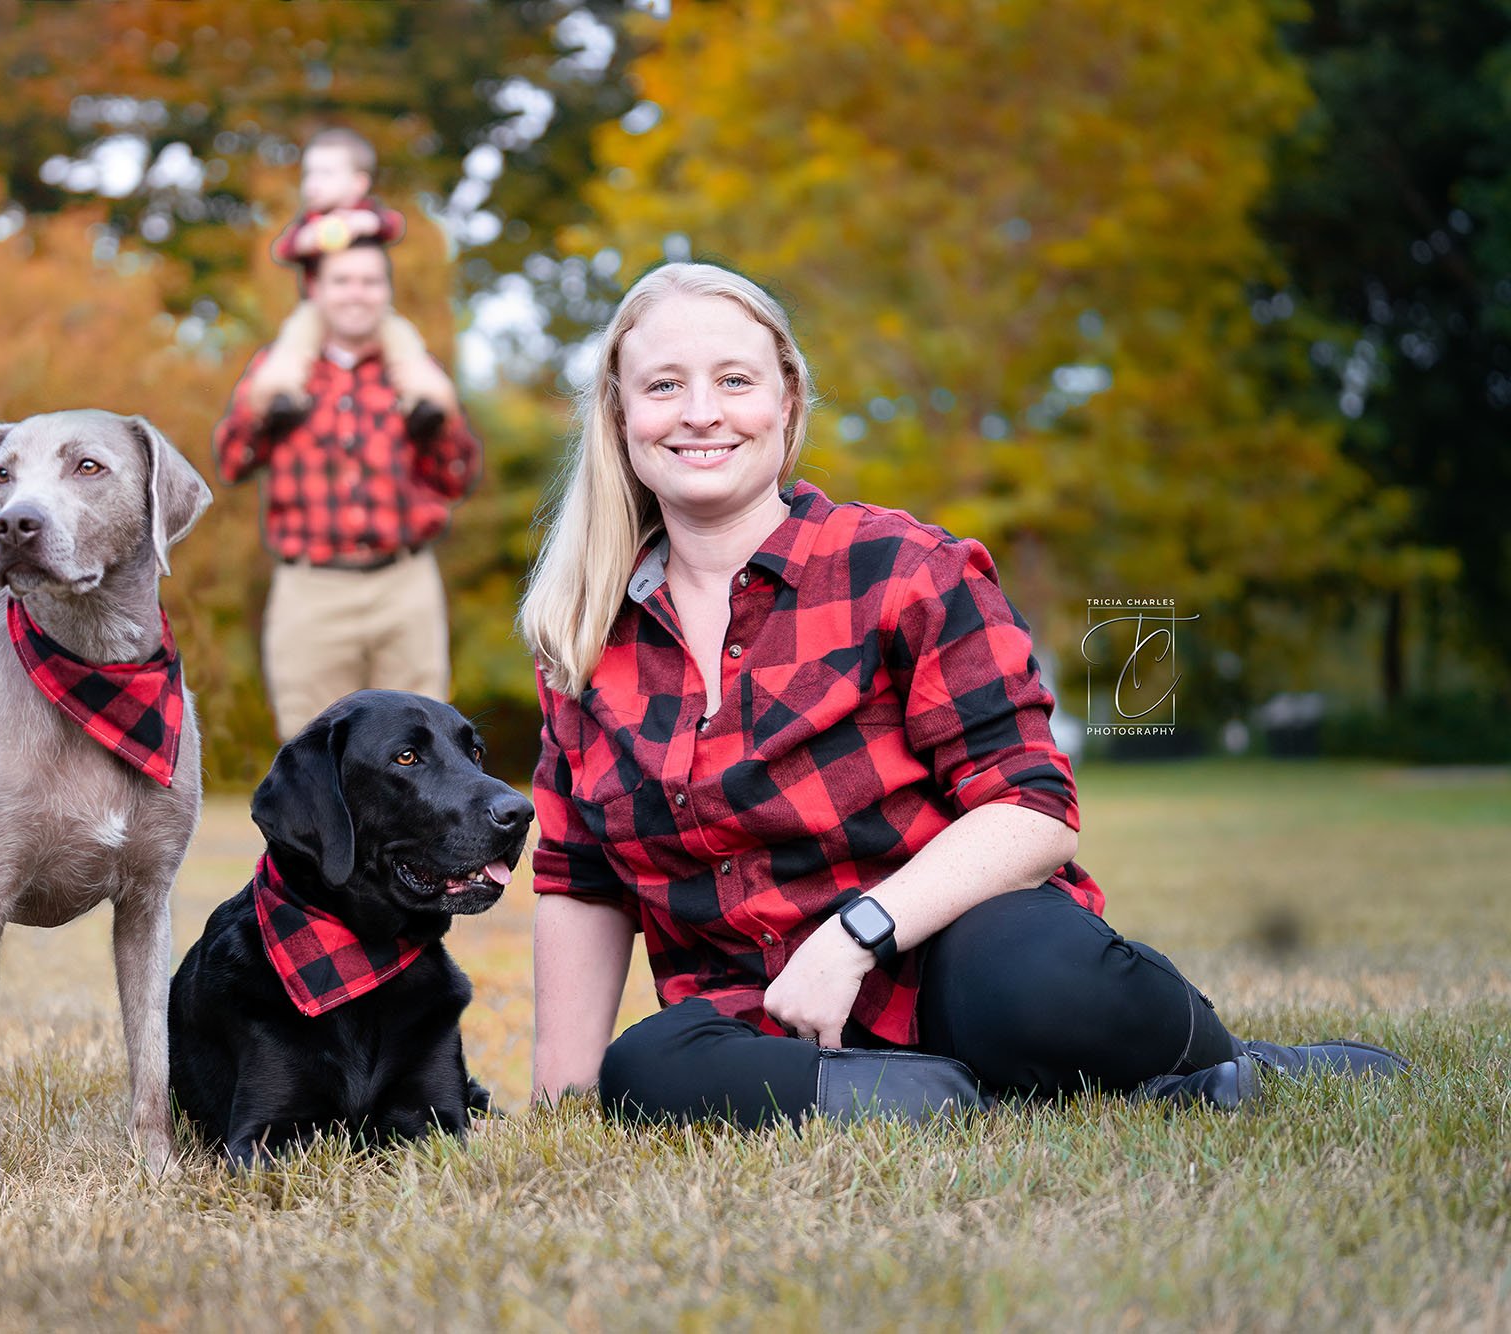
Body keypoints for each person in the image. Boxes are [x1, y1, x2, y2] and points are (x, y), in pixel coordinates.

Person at [517, 261, 1406, 1125]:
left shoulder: (902, 570)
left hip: (959, 967)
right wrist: (562, 1100)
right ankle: (933, 1097)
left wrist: (850, 937)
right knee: (643, 1069)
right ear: (620, 414)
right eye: (664, 385)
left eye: (734, 379)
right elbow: (580, 878)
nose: (700, 413)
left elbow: (1033, 806)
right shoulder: (584, 635)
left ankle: (1211, 1065)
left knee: (1033, 977)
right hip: (769, 1022)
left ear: (785, 400)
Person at [213, 239, 482, 740]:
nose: (357, 293)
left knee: (423, 743)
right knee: (310, 749)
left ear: (386, 291)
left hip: (404, 584)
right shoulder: (281, 369)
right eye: (342, 281)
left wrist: (440, 416)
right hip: (310, 587)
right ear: (316, 290)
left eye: (370, 281)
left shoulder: (413, 371)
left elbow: (459, 477)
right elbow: (230, 462)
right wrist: (261, 411)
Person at [245, 126, 459, 438]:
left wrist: (365, 222)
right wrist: (310, 240)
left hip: (373, 314)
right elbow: (284, 249)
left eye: (326, 174)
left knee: (405, 343)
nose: (313, 184)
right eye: (309, 175)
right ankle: (283, 399)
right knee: (293, 344)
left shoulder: (366, 214)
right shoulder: (311, 223)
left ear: (359, 183)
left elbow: (393, 225)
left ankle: (423, 405)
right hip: (317, 310)